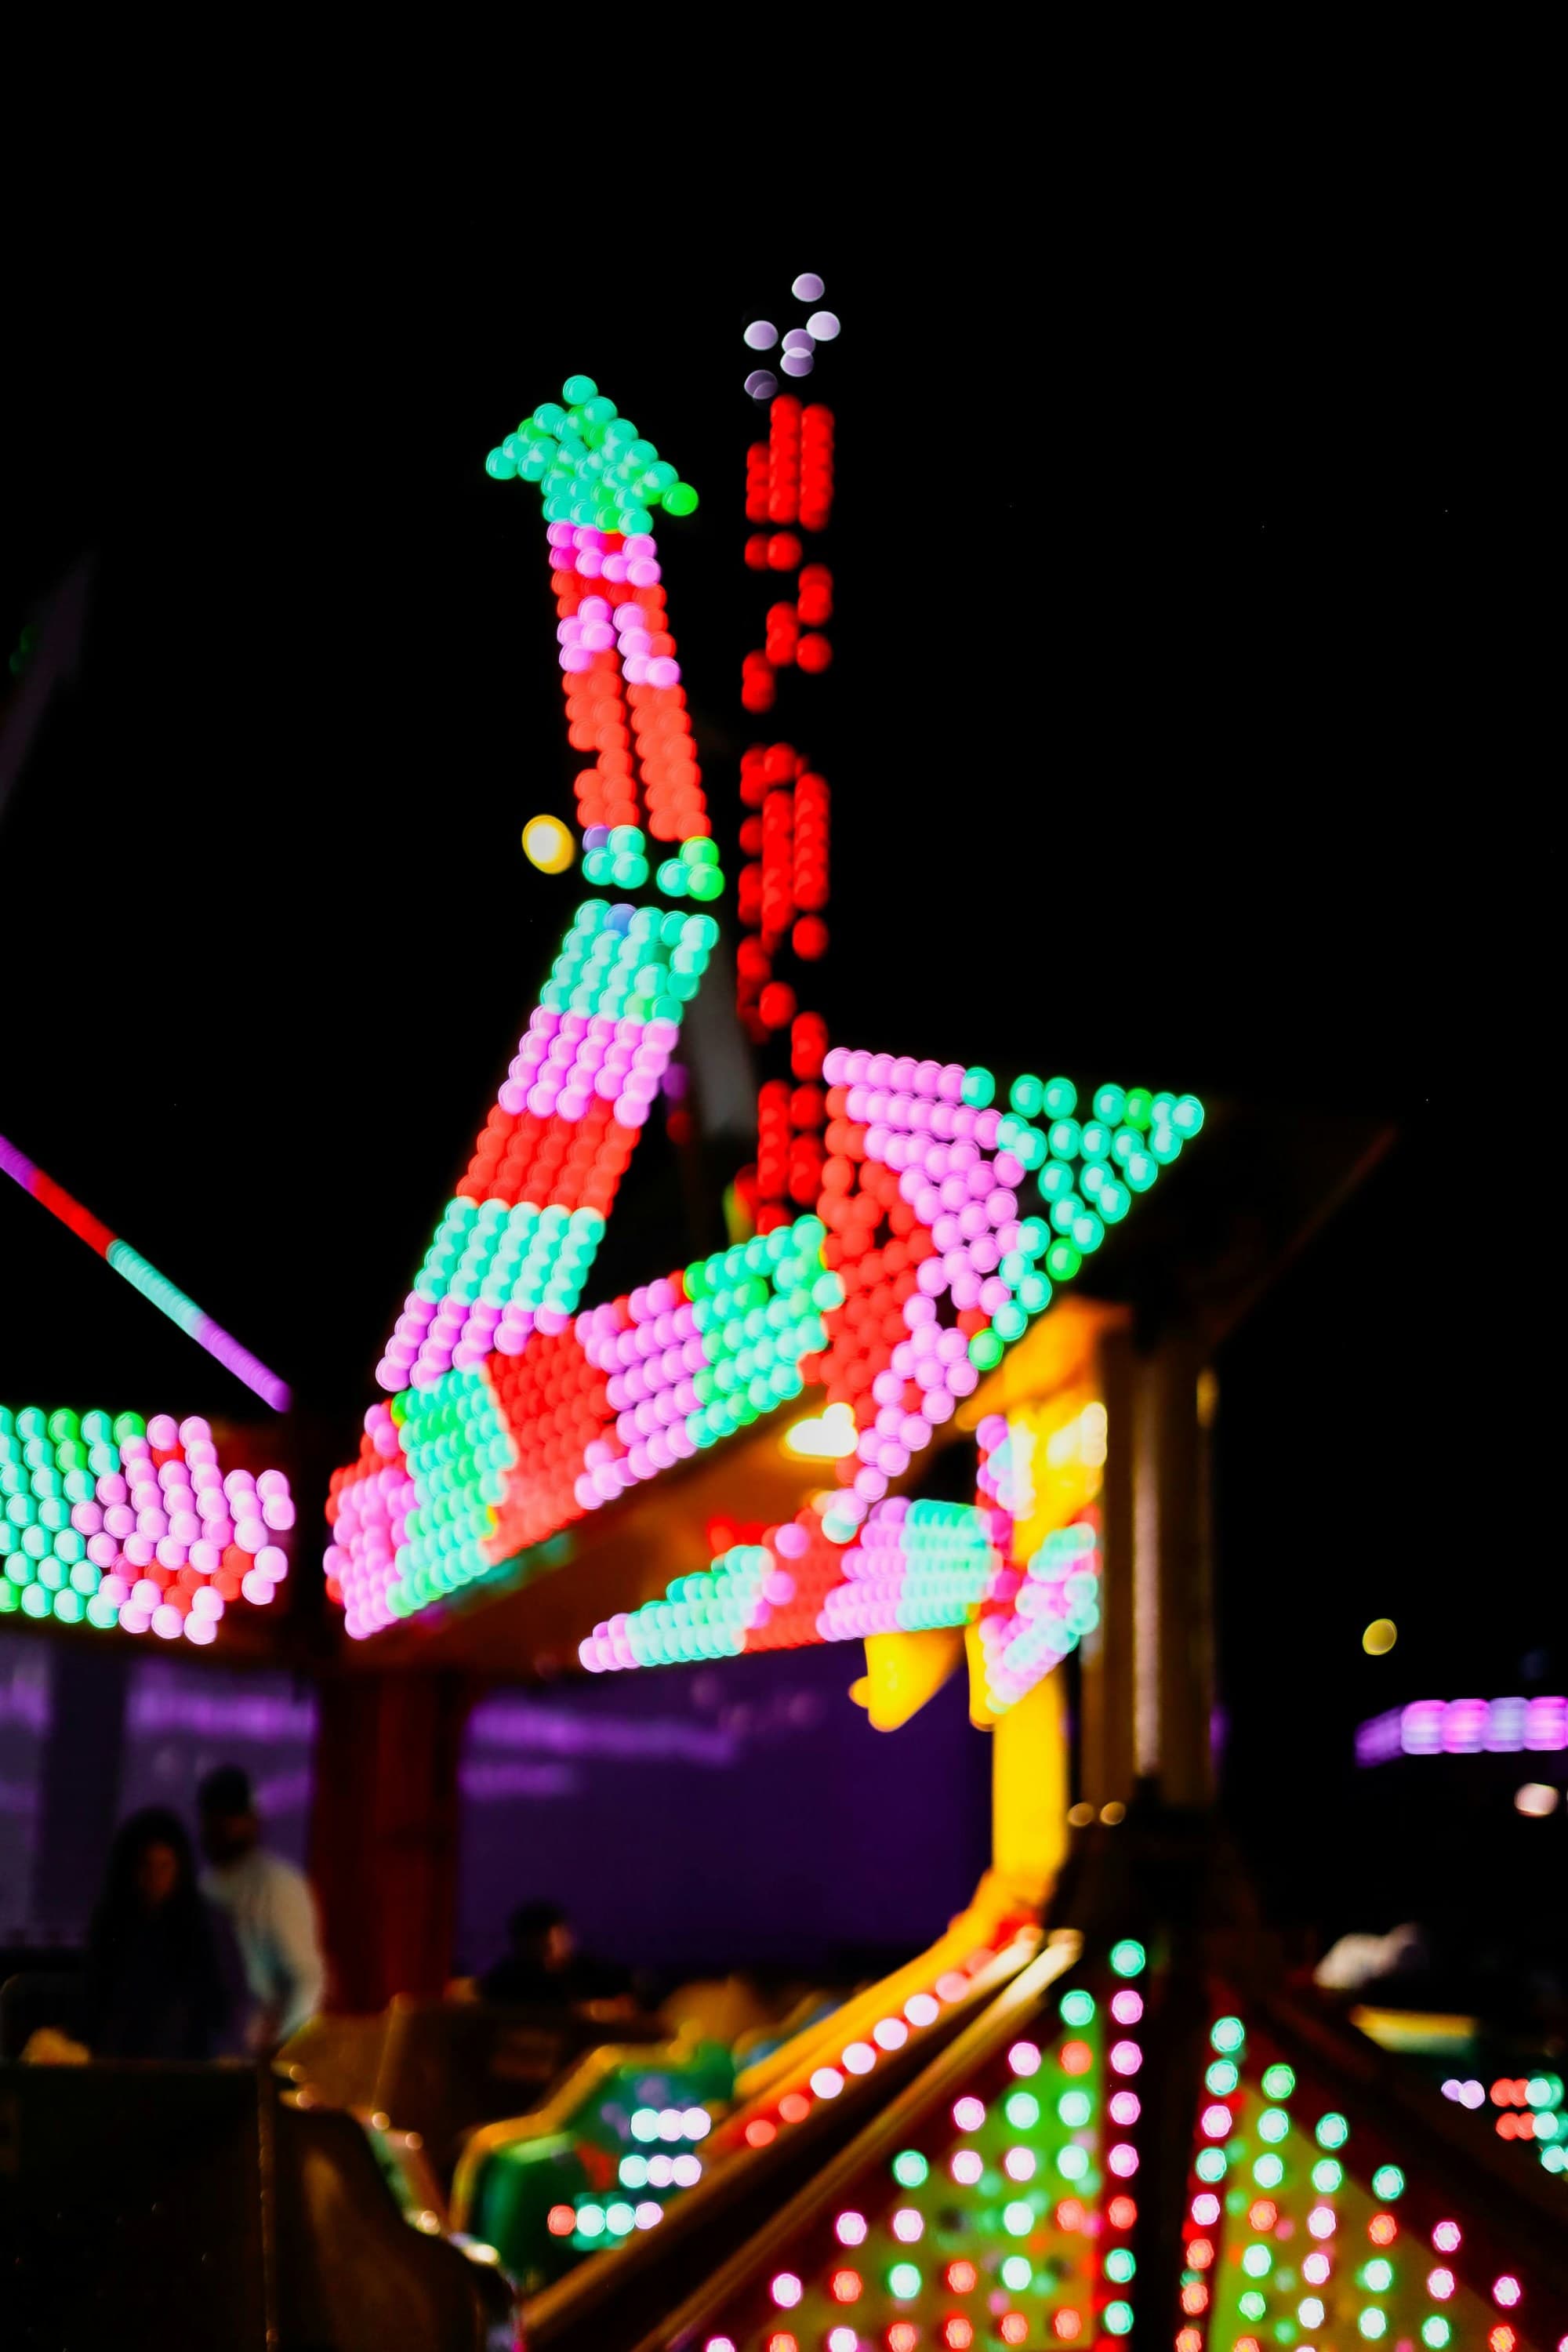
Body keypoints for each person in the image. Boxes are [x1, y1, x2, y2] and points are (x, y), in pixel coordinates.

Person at [81, 1807, 249, 2060]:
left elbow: (229, 2003)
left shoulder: (207, 1924)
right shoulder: (111, 1923)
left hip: (188, 2072)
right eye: (145, 1866)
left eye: (164, 1867)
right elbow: (99, 2005)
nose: (154, 1878)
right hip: (118, 2070)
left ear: (180, 1869)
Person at [198, 1764, 325, 2049]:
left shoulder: (278, 1885)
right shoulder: (205, 1886)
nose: (224, 1826)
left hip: (258, 2051)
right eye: (214, 1816)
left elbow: (307, 1978)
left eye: (232, 1816)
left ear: (252, 1819)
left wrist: (279, 2049)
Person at [479, 1900, 633, 2010]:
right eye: (540, 1943)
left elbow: (628, 1994)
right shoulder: (507, 1979)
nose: (551, 1949)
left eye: (560, 1939)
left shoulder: (591, 1971)